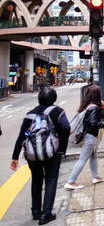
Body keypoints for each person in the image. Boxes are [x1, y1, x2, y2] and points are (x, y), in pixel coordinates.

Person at [11, 87, 70, 224]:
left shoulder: (30, 114)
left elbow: (21, 137)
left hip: (32, 154)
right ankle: (46, 214)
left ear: (39, 98)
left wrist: (15, 157)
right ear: (54, 98)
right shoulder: (58, 112)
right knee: (51, 180)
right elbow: (66, 128)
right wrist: (61, 146)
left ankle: (36, 211)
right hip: (53, 153)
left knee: (36, 179)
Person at [64, 85, 104, 190]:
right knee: (83, 159)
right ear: (96, 95)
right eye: (99, 92)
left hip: (88, 135)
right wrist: (103, 125)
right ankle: (71, 181)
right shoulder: (93, 108)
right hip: (90, 136)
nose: (101, 94)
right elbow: (93, 123)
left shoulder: (87, 105)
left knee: (93, 155)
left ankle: (96, 176)